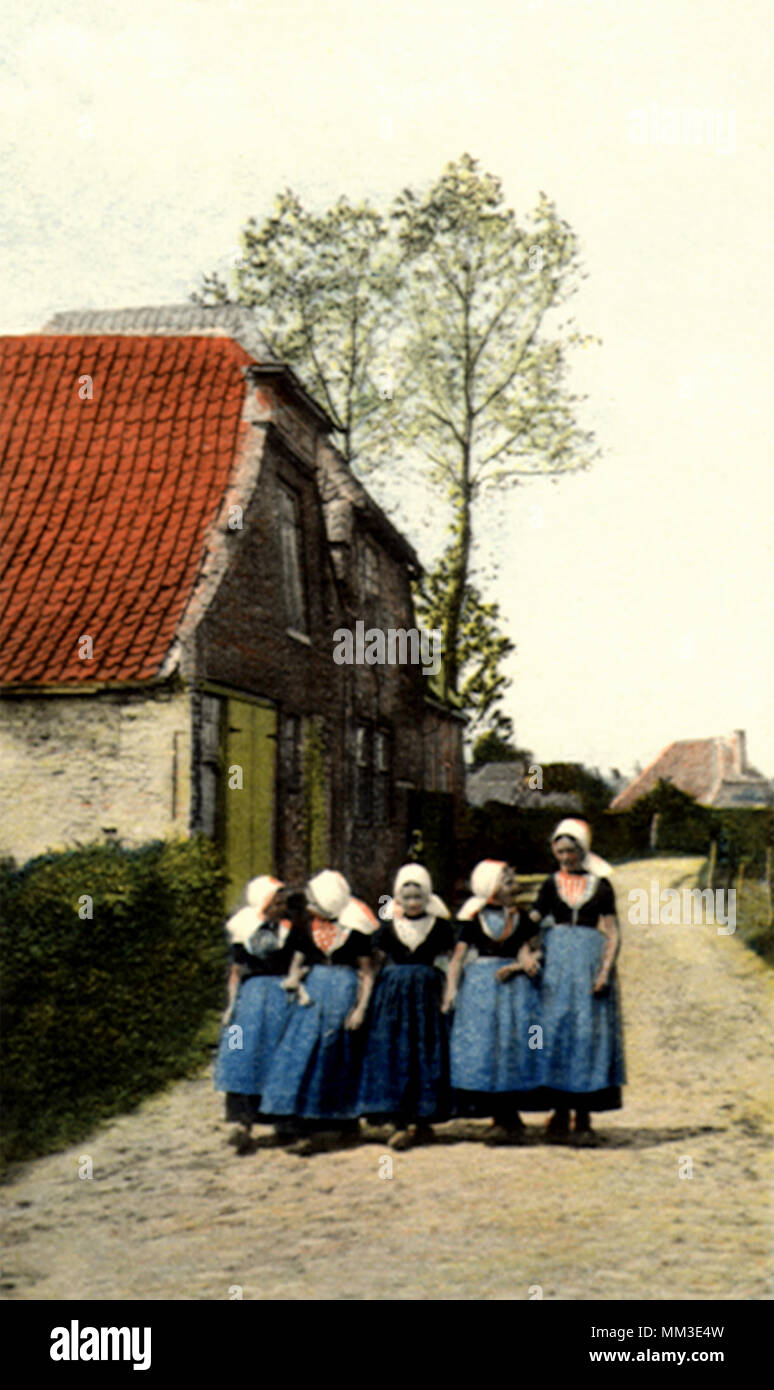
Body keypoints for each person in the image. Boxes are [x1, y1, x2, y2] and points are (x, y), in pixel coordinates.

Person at [258, 869, 375, 1155]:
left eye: (314, 900)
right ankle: (301, 1126)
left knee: (336, 1053)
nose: (309, 905)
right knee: (302, 1053)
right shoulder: (304, 929)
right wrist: (295, 981)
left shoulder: (354, 932)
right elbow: (296, 963)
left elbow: (368, 973)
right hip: (313, 994)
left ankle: (344, 1123)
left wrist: (360, 1008)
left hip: (343, 992)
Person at [528, 819, 625, 1145]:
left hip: (588, 965)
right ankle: (559, 1111)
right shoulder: (549, 884)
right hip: (556, 968)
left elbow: (612, 932)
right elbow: (530, 923)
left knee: (588, 1037)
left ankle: (584, 1115)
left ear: (582, 851)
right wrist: (526, 953)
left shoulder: (601, 885)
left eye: (572, 850)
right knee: (554, 1034)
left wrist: (605, 971)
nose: (566, 856)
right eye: (560, 850)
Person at [443, 859, 544, 1144]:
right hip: (481, 989)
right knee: (486, 1046)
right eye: (507, 881)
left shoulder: (519, 918)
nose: (514, 886)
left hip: (514, 990)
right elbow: (458, 958)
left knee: (512, 1046)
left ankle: (510, 1115)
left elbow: (527, 951)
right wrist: (451, 990)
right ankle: (494, 1113)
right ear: (490, 887)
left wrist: (522, 964)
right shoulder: (474, 919)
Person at [357, 863, 455, 1150]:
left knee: (425, 1051)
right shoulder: (388, 929)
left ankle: (424, 1120)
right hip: (394, 996)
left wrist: (450, 992)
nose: (413, 903)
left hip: (426, 995)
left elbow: (451, 961)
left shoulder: (439, 927)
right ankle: (398, 1122)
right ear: (397, 899)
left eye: (418, 896)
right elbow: (374, 963)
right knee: (395, 1050)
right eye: (407, 897)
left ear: (427, 897)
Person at [213, 875, 295, 1154]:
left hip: (280, 995)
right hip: (250, 998)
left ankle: (283, 1124)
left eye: (283, 902)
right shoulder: (243, 928)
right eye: (276, 902)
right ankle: (241, 1123)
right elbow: (235, 971)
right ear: (263, 902)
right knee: (241, 1055)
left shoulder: (288, 930)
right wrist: (230, 1006)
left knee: (277, 1056)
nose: (281, 907)